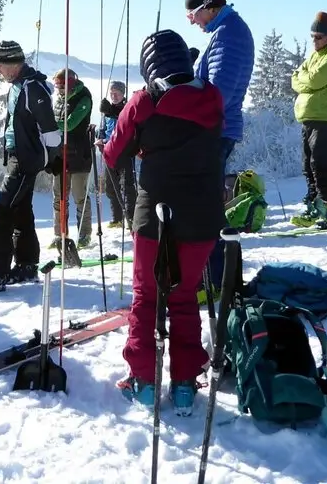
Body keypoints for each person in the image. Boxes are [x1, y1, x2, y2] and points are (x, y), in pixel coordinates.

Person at [103, 29, 224, 411]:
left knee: (147, 297)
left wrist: (137, 145)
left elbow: (112, 154)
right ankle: (185, 383)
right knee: (185, 296)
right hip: (203, 215)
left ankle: (144, 380)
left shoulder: (143, 101)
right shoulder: (211, 97)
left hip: (155, 213)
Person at [0, 40, 62, 289]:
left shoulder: (33, 89)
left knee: (3, 211)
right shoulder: (18, 86)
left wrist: (54, 158)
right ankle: (27, 266)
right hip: (17, 158)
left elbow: (50, 129)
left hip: (25, 161)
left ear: (13, 64)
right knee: (21, 212)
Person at [186, 0, 254, 295]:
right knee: (208, 205)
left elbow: (218, 94)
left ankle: (217, 282)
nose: (193, 22)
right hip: (213, 131)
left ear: (209, 7)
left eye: (194, 15)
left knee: (206, 209)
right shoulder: (224, 33)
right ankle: (220, 279)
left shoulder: (231, 36)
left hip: (215, 132)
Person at [289, 12, 327, 227]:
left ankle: (325, 204)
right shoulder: (316, 55)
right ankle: (313, 201)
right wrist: (302, 78)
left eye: (319, 37)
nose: (314, 41)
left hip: (325, 118)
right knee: (307, 165)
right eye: (312, 36)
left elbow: (313, 80)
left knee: (320, 163)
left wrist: (303, 78)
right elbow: (295, 79)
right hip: (308, 118)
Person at [49, 68, 94, 250]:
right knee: (59, 195)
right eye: (57, 86)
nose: (59, 90)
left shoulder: (83, 98)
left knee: (79, 195)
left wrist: (47, 124)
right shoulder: (59, 99)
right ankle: (59, 234)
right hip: (61, 153)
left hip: (79, 153)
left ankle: (84, 234)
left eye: (62, 86)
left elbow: (71, 123)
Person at [95, 80, 136, 229]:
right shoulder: (107, 110)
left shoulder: (127, 107)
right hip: (108, 152)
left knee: (127, 188)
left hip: (124, 152)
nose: (113, 96)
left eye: (116, 93)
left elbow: (125, 122)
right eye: (111, 93)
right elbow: (103, 129)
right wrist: (99, 137)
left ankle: (130, 218)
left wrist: (110, 112)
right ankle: (117, 218)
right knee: (111, 188)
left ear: (122, 93)